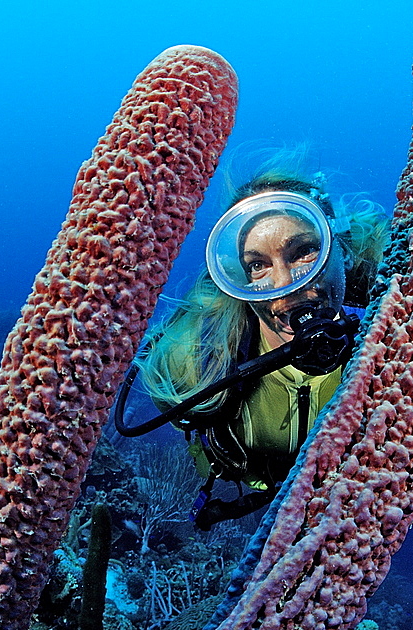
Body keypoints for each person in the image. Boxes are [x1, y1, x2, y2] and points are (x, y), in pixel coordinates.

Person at [124, 159, 389, 530]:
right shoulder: (195, 357)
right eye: (257, 266)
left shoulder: (395, 332)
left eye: (303, 252)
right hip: (245, 476)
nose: (287, 286)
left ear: (336, 247)